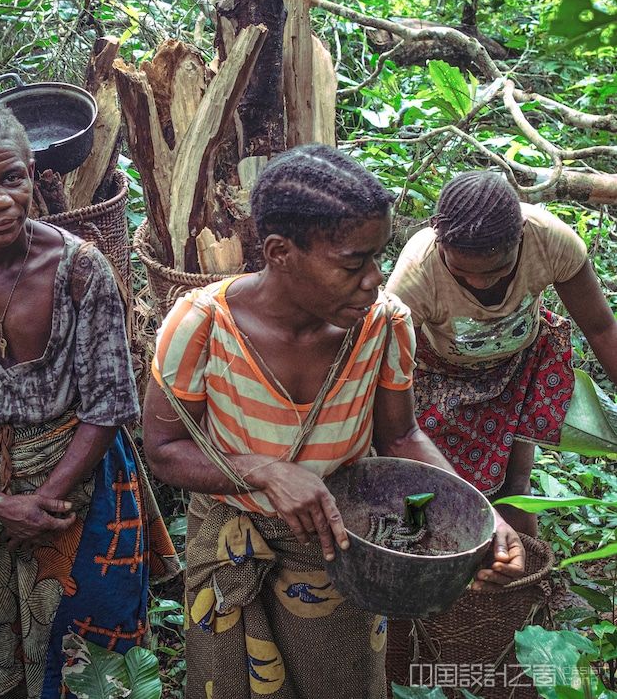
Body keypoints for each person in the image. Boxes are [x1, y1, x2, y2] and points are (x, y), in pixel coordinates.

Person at [142, 145, 524, 699]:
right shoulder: (202, 326)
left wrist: (478, 514)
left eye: (377, 258)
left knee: (339, 680)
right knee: (227, 682)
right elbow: (164, 448)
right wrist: (264, 472)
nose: (374, 279)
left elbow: (401, 435)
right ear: (280, 252)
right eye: (353, 263)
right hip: (229, 542)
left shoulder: (384, 326)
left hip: (344, 550)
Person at [0, 101, 176, 699]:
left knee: (97, 656)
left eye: (10, 178)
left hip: (82, 481)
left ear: (32, 176)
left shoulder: (79, 268)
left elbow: (106, 405)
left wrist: (41, 500)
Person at [385, 170, 617, 537]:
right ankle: (424, 559)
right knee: (422, 488)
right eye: (461, 273)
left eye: (497, 270)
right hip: (436, 377)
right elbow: (390, 373)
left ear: (521, 238)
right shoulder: (417, 275)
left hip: (517, 368)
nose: (480, 282)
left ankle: (522, 573)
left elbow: (602, 330)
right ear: (440, 242)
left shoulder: (549, 240)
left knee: (515, 483)